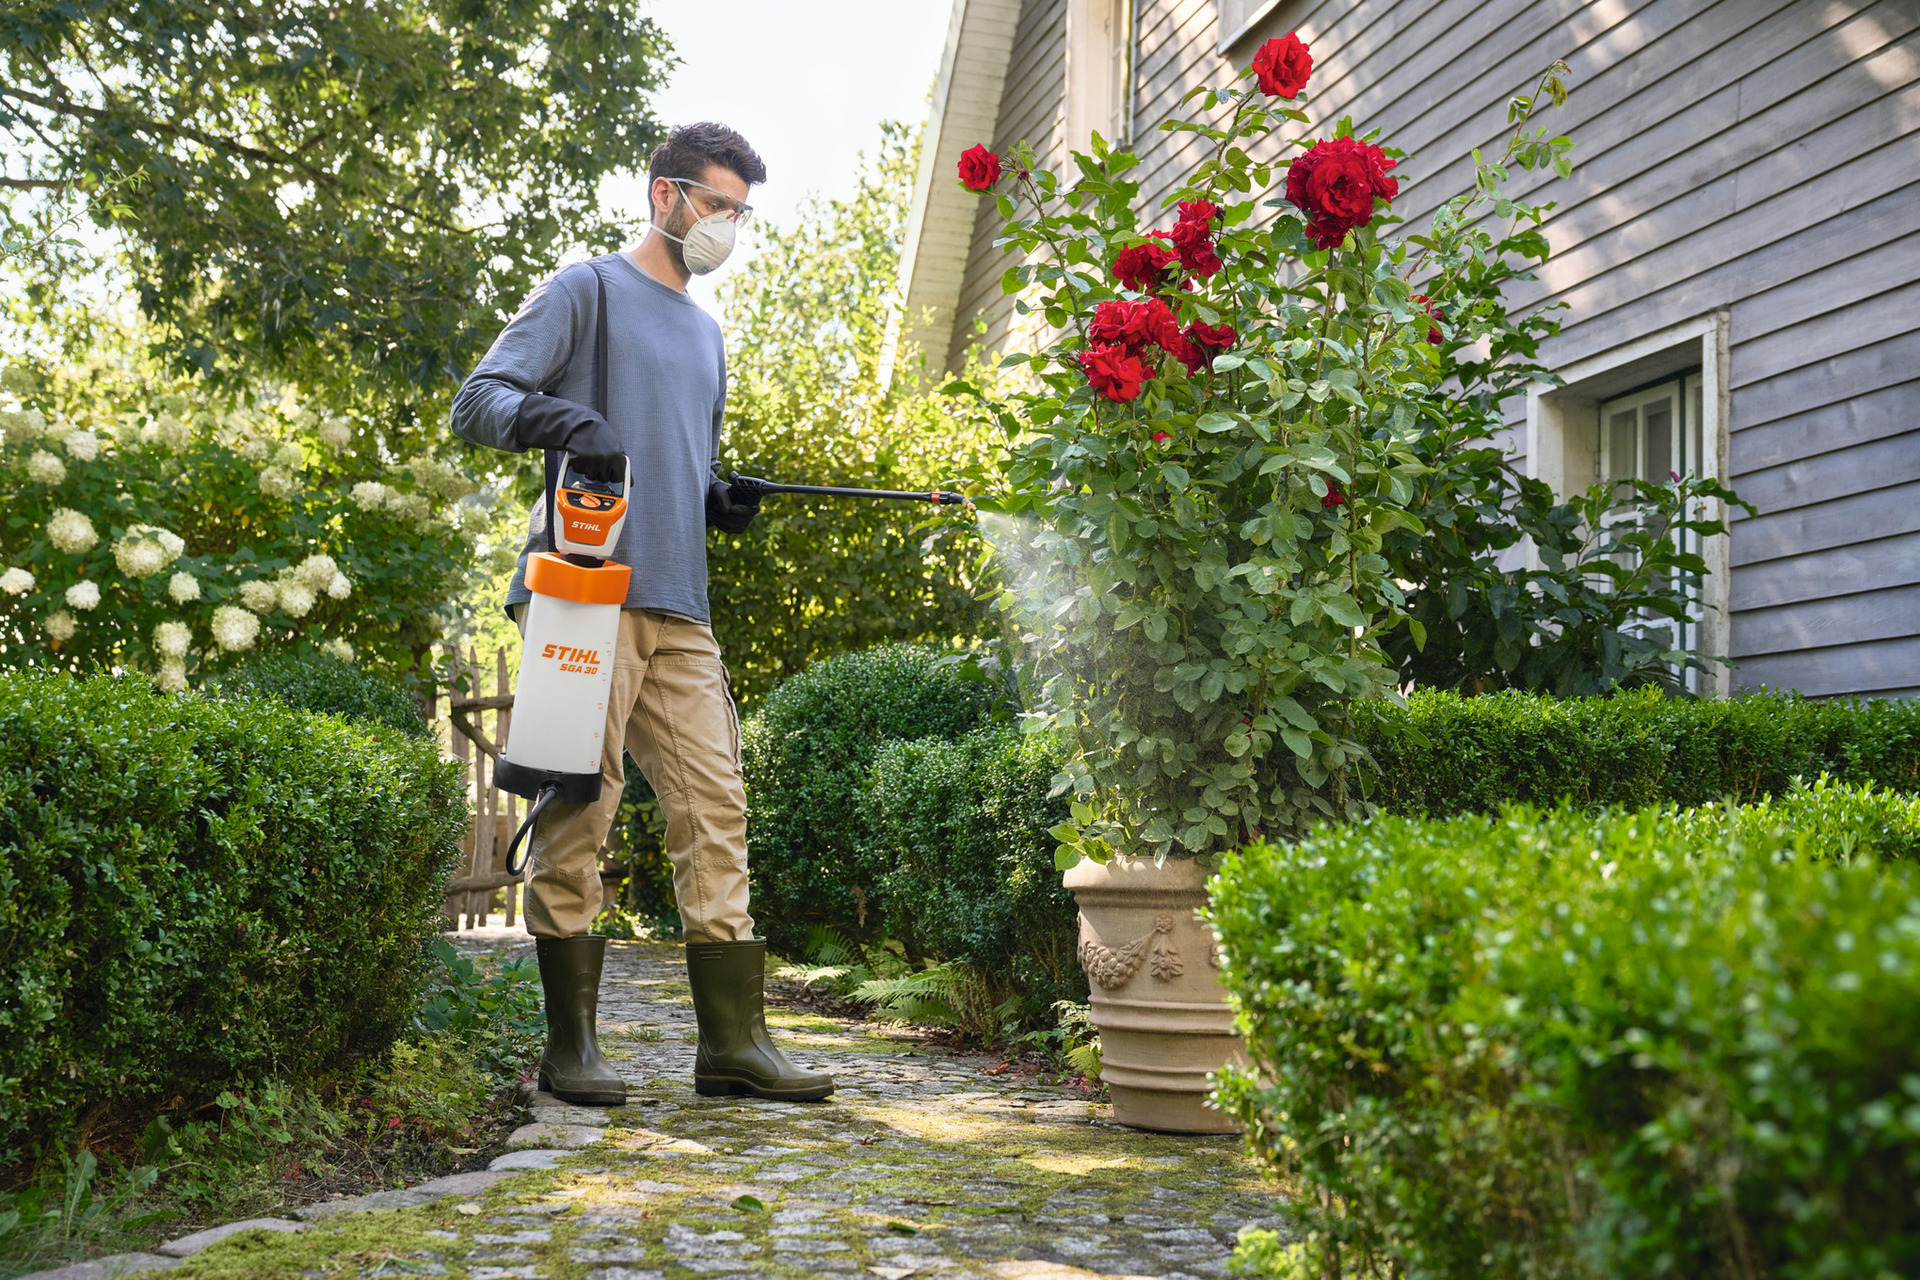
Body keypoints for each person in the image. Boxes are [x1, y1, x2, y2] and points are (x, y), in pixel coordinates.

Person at [450, 122, 832, 1107]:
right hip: (583, 597)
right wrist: (556, 417)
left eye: (741, 210)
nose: (728, 225)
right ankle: (571, 1047)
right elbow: (478, 401)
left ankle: (733, 1044)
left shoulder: (707, 333)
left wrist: (719, 497)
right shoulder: (586, 291)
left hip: (681, 608)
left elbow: (688, 465)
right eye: (717, 203)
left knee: (718, 809)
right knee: (580, 806)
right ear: (664, 196)